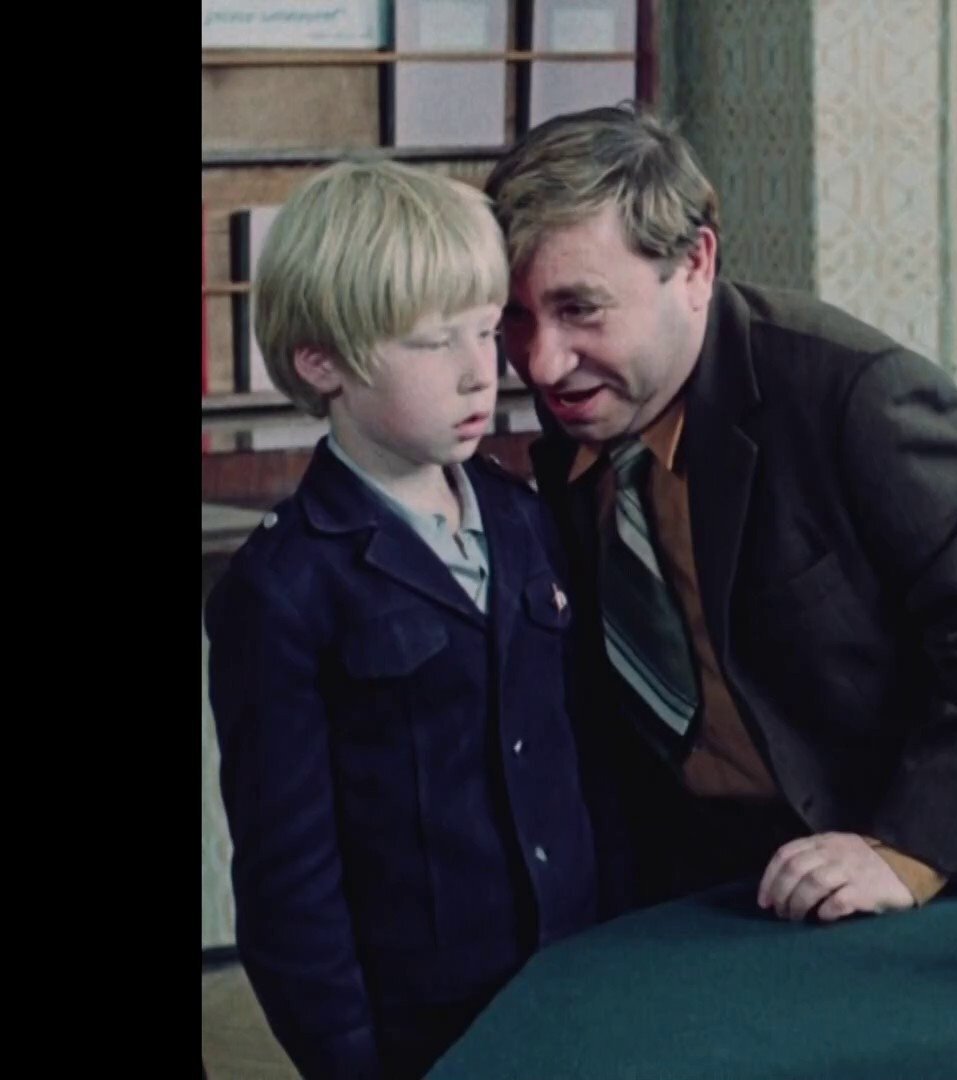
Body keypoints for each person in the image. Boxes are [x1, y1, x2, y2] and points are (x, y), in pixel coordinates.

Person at [482, 104, 957, 921]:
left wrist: (908, 850)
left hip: (908, 866)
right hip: (699, 883)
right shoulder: (580, 424)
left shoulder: (854, 394)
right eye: (516, 318)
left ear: (694, 266)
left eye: (580, 309)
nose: (542, 363)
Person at [205, 160, 601, 1078]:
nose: (478, 373)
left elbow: (589, 765)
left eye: (485, 331)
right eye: (432, 343)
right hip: (423, 1028)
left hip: (581, 980)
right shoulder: (283, 588)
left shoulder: (524, 517)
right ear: (323, 363)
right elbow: (289, 882)